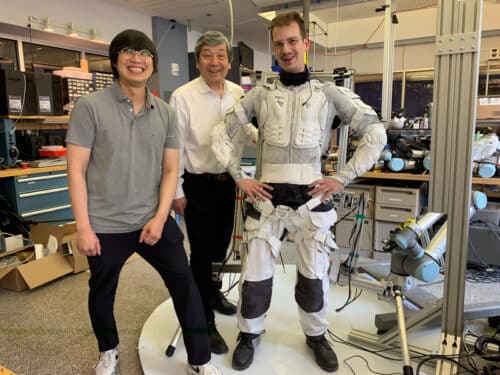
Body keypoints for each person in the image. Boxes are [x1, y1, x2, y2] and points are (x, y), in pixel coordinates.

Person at [211, 12, 387, 373]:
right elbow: (220, 134)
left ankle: (316, 335)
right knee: (255, 275)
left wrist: (342, 177)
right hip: (265, 200)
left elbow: (376, 134)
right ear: (273, 48)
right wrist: (239, 176)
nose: (286, 49)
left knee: (314, 276)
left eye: (292, 41)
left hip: (312, 200)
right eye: (278, 43)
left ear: (306, 44)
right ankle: (249, 334)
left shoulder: (330, 95)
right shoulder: (259, 95)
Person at [66, 29, 221, 375]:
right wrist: (83, 227)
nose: (136, 58)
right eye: (127, 51)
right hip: (104, 224)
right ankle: (108, 350)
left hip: (153, 218)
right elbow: (75, 170)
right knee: (102, 291)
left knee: (185, 283)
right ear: (115, 60)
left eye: (144, 53)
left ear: (153, 63)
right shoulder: (89, 107)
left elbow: (169, 171)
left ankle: (200, 359)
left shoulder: (165, 113)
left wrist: (160, 216)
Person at [170, 31, 243, 354]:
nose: (215, 62)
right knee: (200, 254)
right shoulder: (183, 97)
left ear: (229, 61)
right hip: (197, 185)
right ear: (198, 61)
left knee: (219, 247)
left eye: (220, 56)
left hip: (229, 183)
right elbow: (174, 149)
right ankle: (204, 322)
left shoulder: (240, 94)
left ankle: (212, 292)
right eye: (207, 56)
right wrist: (176, 191)